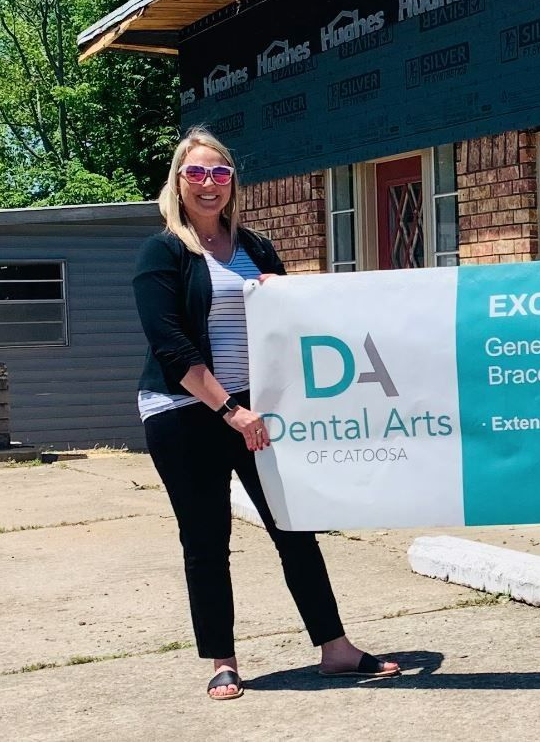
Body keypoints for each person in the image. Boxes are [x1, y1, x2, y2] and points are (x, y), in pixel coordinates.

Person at [133, 127, 399, 700]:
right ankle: (222, 662)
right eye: (197, 173)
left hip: (256, 410)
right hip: (183, 411)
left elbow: (287, 327)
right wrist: (230, 409)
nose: (209, 184)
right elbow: (169, 344)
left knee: (294, 527)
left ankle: (335, 648)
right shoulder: (164, 251)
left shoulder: (253, 246)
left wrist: (285, 294)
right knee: (206, 540)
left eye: (220, 173)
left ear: (233, 183)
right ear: (178, 181)